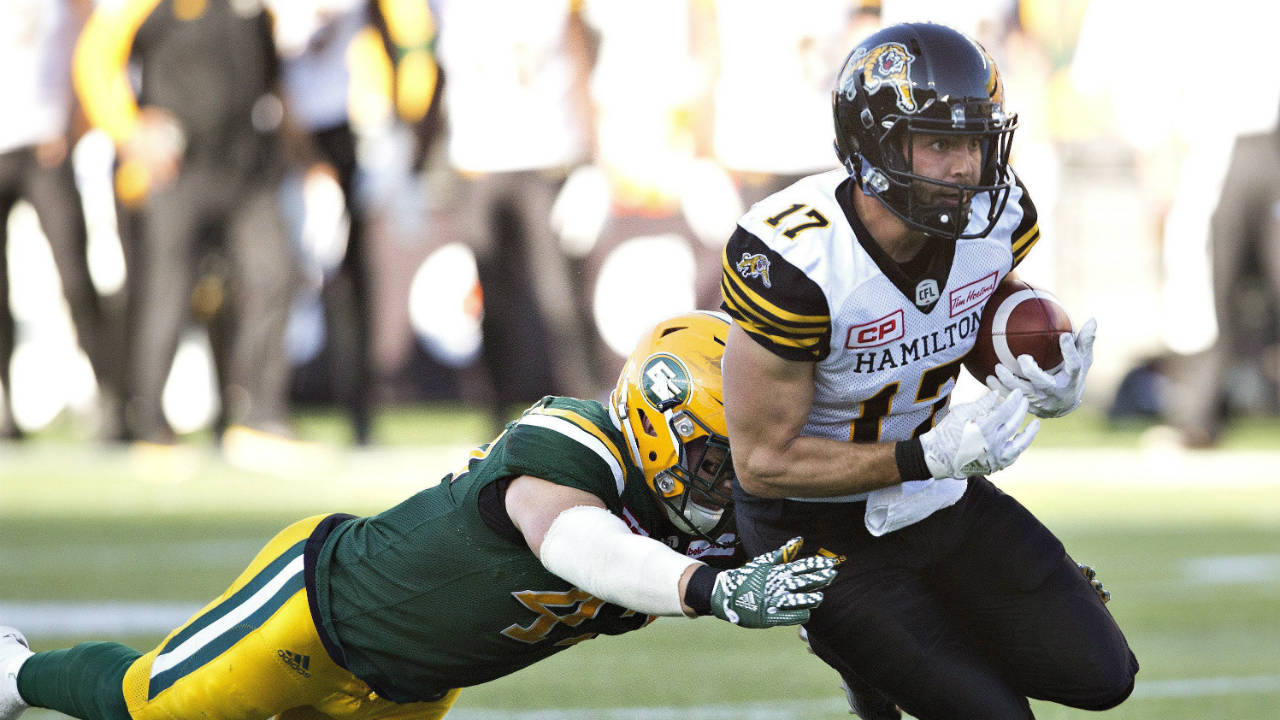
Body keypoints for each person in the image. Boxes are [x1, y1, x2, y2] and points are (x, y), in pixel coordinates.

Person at [0, 311, 836, 720]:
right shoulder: (571, 443)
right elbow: (579, 543)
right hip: (314, 612)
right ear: (661, 421)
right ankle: (15, 675)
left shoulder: (711, 522)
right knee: (149, 704)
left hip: (413, 691)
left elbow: (847, 594)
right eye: (716, 460)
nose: (733, 484)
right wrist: (710, 588)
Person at [718, 22, 1138, 719]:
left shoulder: (999, 215)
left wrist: (1037, 361)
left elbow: (971, 297)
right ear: (875, 144)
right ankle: (871, 655)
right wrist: (927, 454)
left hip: (937, 495)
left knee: (1103, 676)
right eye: (939, 141)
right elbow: (762, 462)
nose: (964, 167)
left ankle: (904, 654)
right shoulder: (796, 258)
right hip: (816, 527)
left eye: (974, 141)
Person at [73, 0, 301, 448]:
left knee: (275, 276)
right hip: (176, 169)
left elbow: (274, 75)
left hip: (246, 166)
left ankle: (261, 415)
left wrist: (299, 148)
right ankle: (147, 421)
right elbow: (95, 59)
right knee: (166, 295)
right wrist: (129, 130)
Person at [0, 0, 123, 440]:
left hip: (44, 147)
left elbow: (92, 46)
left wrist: (73, 120)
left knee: (75, 277)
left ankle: (110, 398)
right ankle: (5, 407)